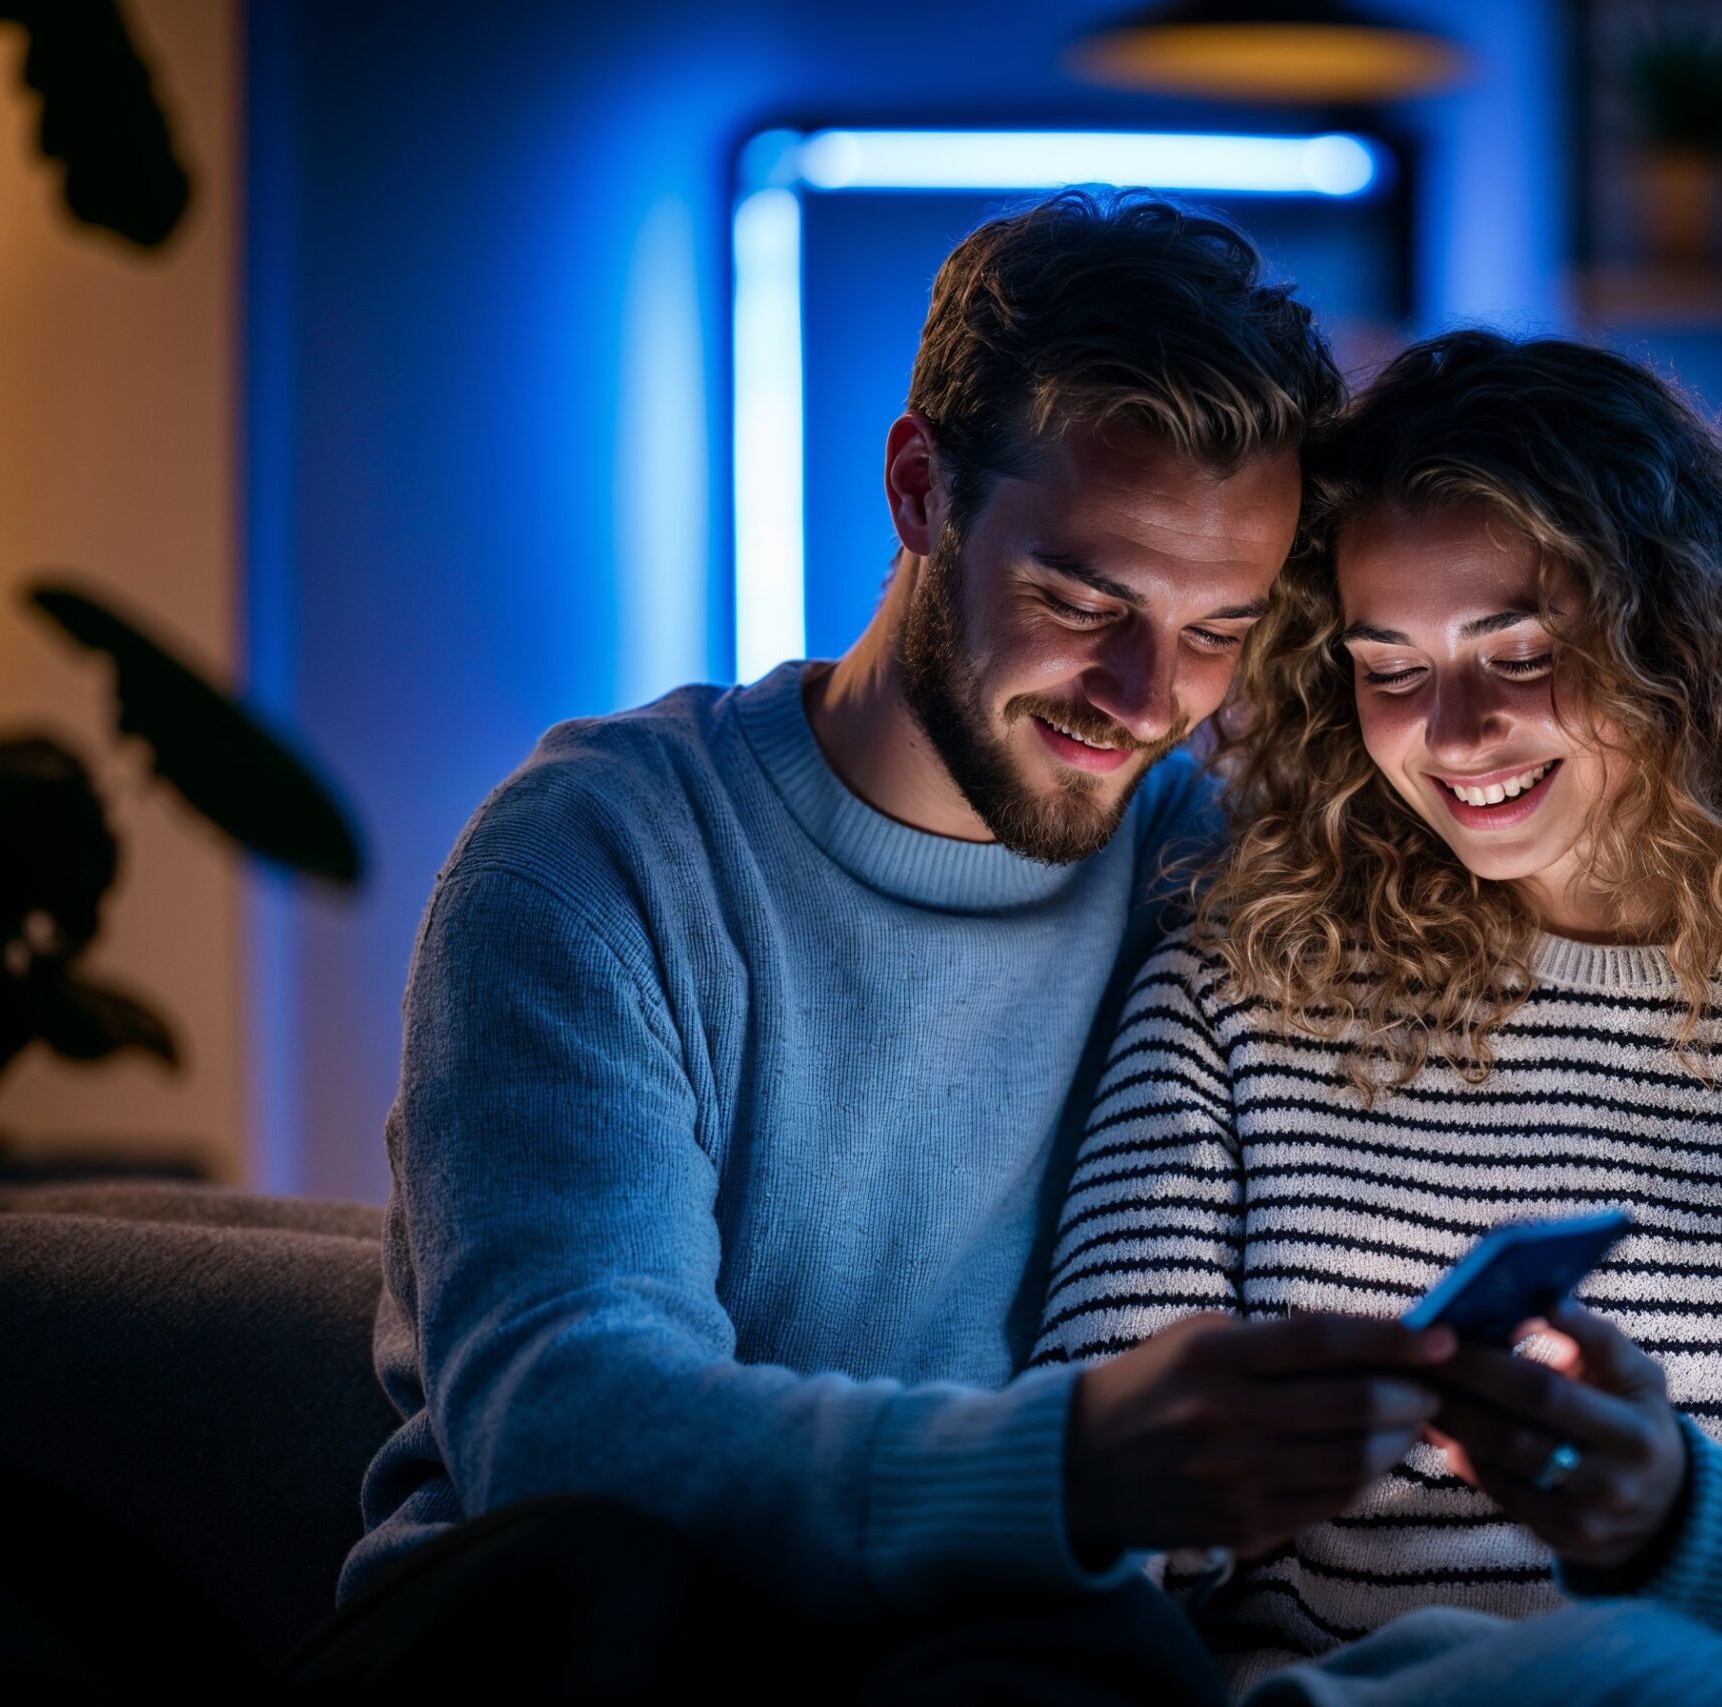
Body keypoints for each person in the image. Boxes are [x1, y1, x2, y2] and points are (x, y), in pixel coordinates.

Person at [293, 190, 1464, 1705]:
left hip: (985, 1656)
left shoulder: (1214, 872)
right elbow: (565, 1422)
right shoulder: (596, 861)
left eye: (1215, 632)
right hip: (577, 1649)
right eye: (1078, 597)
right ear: (921, 490)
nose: (1142, 694)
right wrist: (1074, 1468)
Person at [1032, 331, 1722, 1704]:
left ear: (1680, 640)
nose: (1453, 735)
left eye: (1519, 653)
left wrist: (1670, 1517)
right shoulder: (1235, 991)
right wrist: (1220, 1468)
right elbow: (1084, 1510)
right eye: (1390, 668)